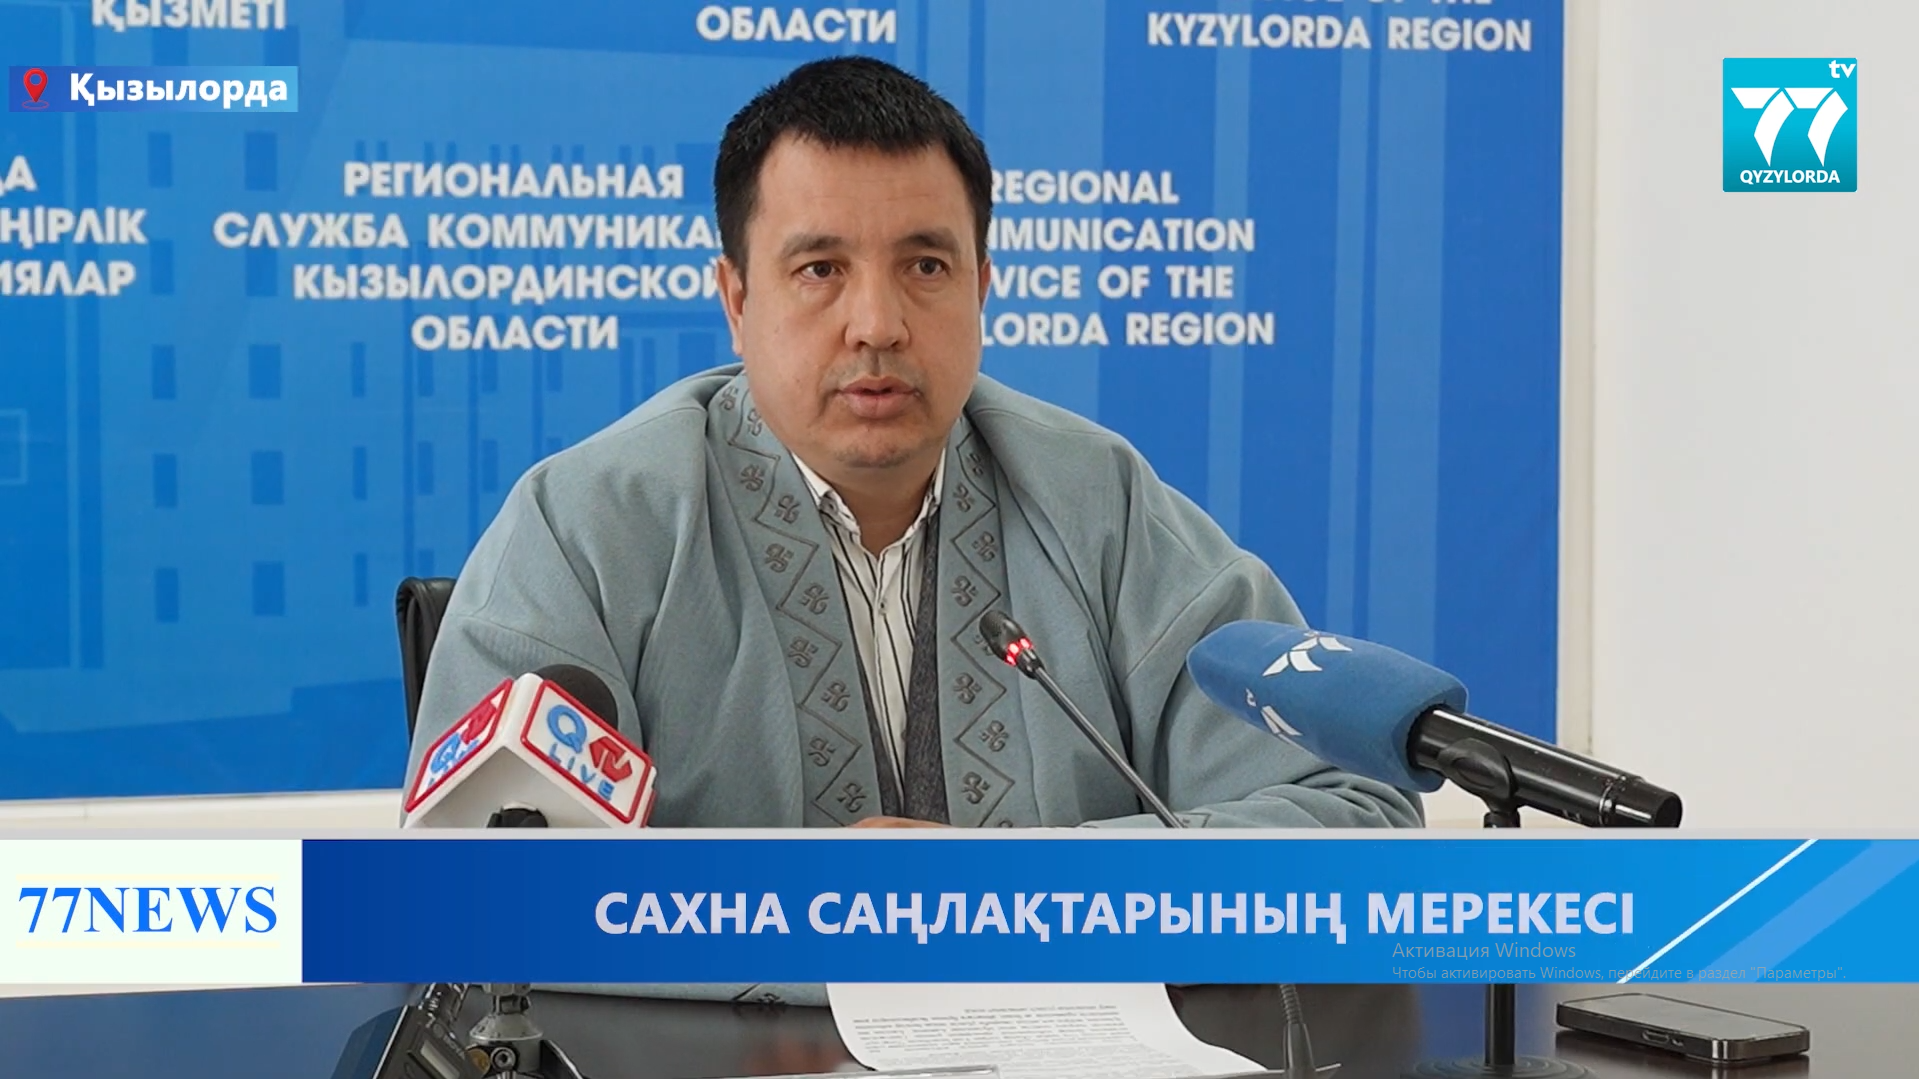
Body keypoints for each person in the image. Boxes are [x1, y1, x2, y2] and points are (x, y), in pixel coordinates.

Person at [409, 59, 1418, 833]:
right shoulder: (588, 526)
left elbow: (1352, 813)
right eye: (819, 270)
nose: (878, 324)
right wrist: (842, 915)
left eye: (925, 265)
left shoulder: (1098, 505)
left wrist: (1003, 892)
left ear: (981, 289)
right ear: (736, 299)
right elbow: (479, 884)